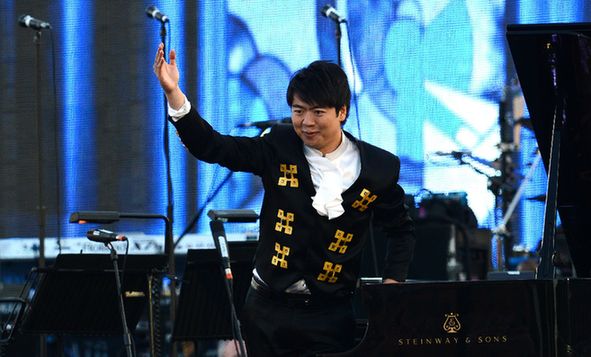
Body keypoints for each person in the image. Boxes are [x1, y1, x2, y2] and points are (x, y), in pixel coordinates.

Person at [153, 43, 415, 356]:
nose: (307, 122)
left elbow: (401, 230)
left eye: (318, 112)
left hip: (330, 314)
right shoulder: (278, 146)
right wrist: (174, 95)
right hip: (267, 310)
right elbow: (214, 147)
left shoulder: (378, 168)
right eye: (298, 110)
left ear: (342, 112)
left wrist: (392, 283)